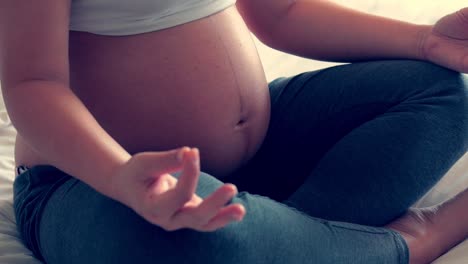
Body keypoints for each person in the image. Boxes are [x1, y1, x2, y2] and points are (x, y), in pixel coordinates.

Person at [0, 0, 467, 263]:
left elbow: (280, 14)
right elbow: (32, 85)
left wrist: (424, 40)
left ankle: (282, 240)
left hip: (257, 152)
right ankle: (410, 243)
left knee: (438, 93)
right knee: (168, 238)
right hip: (96, 184)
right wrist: (120, 175)